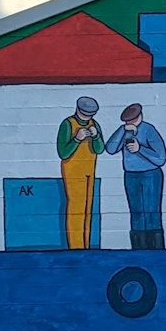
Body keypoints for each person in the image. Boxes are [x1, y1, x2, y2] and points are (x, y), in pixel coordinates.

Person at [103, 104, 166, 249]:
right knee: (136, 213)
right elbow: (110, 149)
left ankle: (156, 248)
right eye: (126, 122)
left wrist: (140, 149)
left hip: (150, 175)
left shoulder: (148, 130)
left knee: (151, 213)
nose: (129, 124)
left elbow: (161, 158)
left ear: (139, 117)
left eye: (131, 120)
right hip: (131, 175)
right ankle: (138, 248)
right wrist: (121, 131)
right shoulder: (124, 131)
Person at [55, 96, 104, 249]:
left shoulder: (94, 125)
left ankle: (86, 246)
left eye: (89, 115)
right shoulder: (68, 124)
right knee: (76, 208)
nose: (87, 118)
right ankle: (75, 246)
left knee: (88, 209)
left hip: (90, 171)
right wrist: (77, 139)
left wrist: (96, 136)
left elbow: (100, 149)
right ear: (78, 110)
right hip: (73, 172)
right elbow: (63, 153)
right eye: (84, 115)